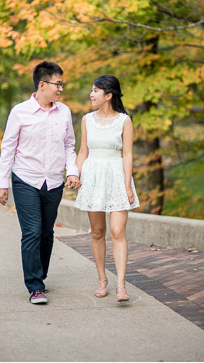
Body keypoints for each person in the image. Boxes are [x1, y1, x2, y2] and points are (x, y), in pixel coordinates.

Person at [0, 61, 81, 305]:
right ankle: (34, 286)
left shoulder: (63, 112)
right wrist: (3, 183)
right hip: (25, 178)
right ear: (42, 85)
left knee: (46, 233)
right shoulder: (20, 111)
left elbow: (69, 145)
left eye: (62, 85)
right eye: (58, 84)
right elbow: (8, 147)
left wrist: (72, 171)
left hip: (54, 181)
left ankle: (40, 275)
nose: (61, 89)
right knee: (31, 232)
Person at [74, 75, 139, 302]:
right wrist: (74, 174)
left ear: (108, 95)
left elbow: (127, 154)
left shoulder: (124, 120)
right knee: (97, 232)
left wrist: (127, 185)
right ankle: (102, 279)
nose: (91, 95)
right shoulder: (86, 120)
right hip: (93, 177)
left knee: (118, 231)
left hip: (117, 176)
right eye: (91, 90)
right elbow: (83, 151)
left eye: (96, 91)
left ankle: (121, 285)